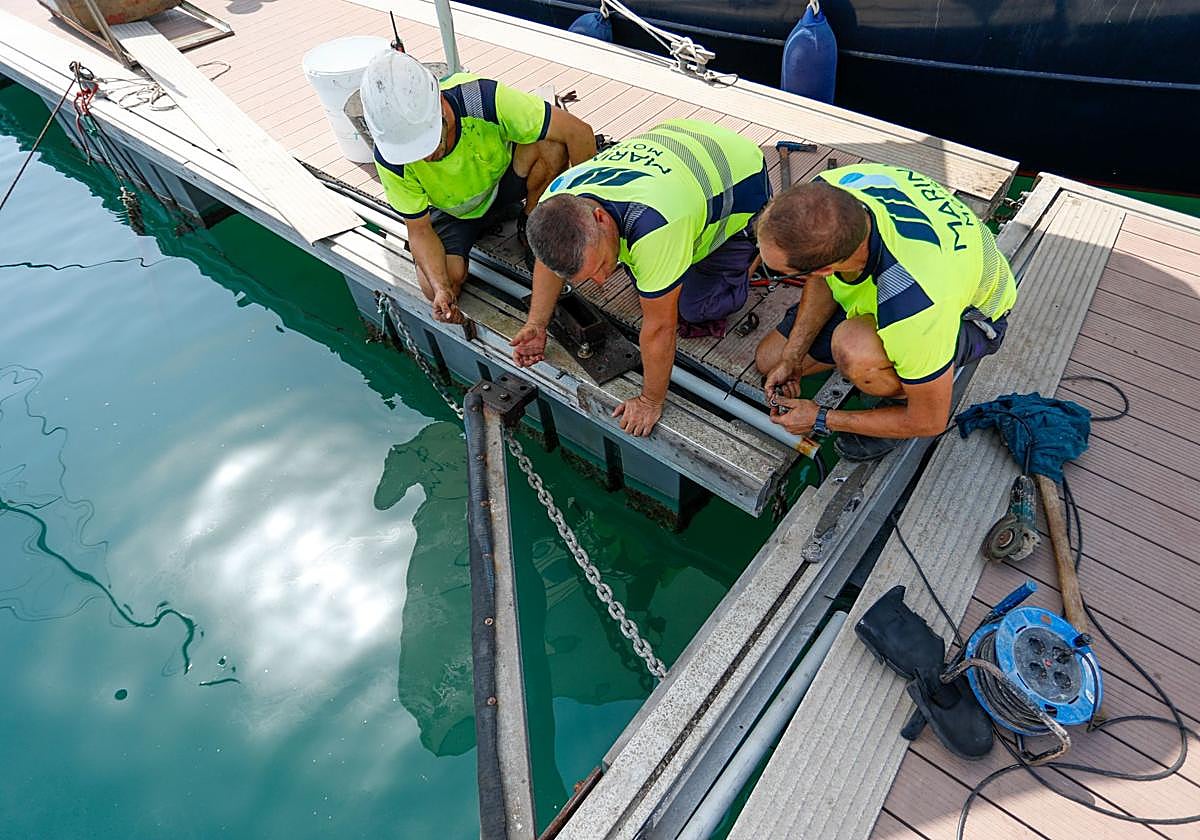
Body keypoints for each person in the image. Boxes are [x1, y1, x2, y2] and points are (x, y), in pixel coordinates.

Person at [509, 119, 770, 436]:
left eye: (602, 264)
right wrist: (537, 324)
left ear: (601, 218)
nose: (603, 282)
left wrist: (650, 400)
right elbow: (548, 261)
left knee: (694, 310)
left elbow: (660, 328)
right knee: (652, 281)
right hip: (678, 142)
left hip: (742, 178)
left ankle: (747, 256)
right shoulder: (558, 199)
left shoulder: (656, 225)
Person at [754, 163, 1017, 460]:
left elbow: (930, 421)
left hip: (970, 317)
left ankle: (904, 394)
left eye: (778, 271)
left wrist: (820, 417)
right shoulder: (827, 191)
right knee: (770, 360)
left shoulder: (915, 305)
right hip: (914, 271)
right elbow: (819, 278)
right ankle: (898, 366)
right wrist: (793, 357)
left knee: (853, 347)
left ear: (827, 268)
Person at [361, 50, 597, 324]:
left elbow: (579, 133)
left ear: (439, 102)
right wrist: (441, 289)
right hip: (453, 212)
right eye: (412, 151)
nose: (424, 157)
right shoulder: (390, 157)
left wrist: (587, 218)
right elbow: (419, 229)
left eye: (426, 143)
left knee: (552, 144)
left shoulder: (483, 98)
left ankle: (531, 220)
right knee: (434, 285)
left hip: (503, 182)